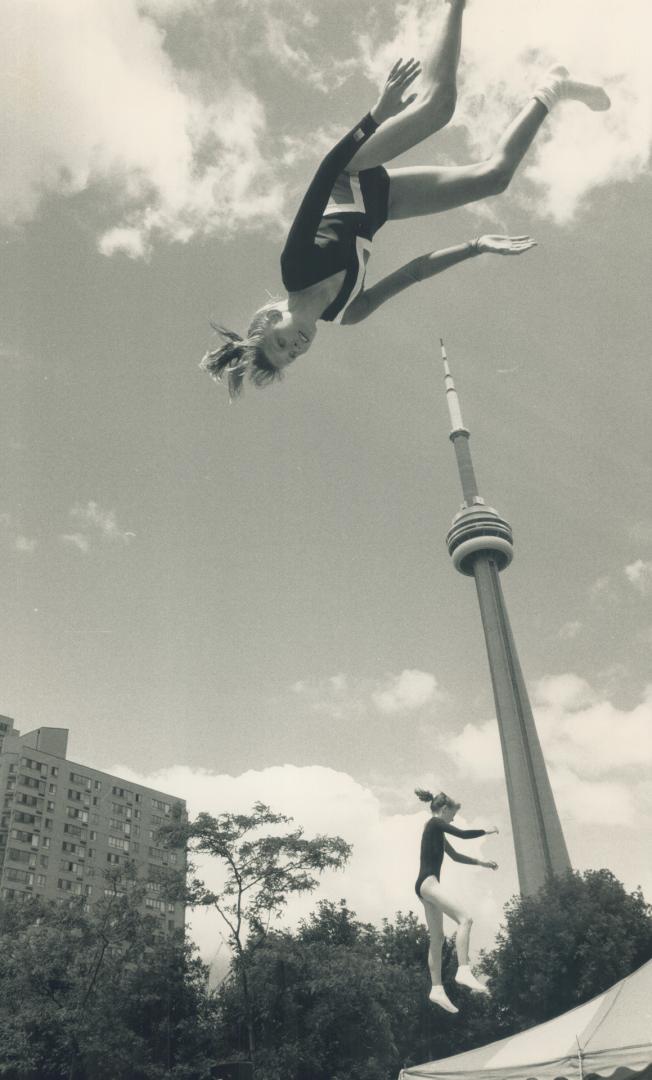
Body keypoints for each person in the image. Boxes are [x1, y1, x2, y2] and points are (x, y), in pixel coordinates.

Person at [202, 0, 610, 398]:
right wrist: (474, 246)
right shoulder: (347, 313)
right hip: (384, 204)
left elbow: (325, 172)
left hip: (352, 171)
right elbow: (412, 273)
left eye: (281, 344)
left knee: (438, 107)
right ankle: (553, 88)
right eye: (293, 356)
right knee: (494, 178)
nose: (296, 348)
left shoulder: (296, 267)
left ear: (272, 319)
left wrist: (375, 116)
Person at [414, 787, 498, 1013]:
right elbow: (461, 834)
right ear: (443, 809)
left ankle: (437, 988)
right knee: (465, 919)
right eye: (452, 813)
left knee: (438, 938)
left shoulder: (436, 831)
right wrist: (486, 831)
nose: (453, 818)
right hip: (429, 883)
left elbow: (456, 856)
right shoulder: (434, 824)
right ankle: (463, 969)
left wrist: (482, 863)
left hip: (424, 885)